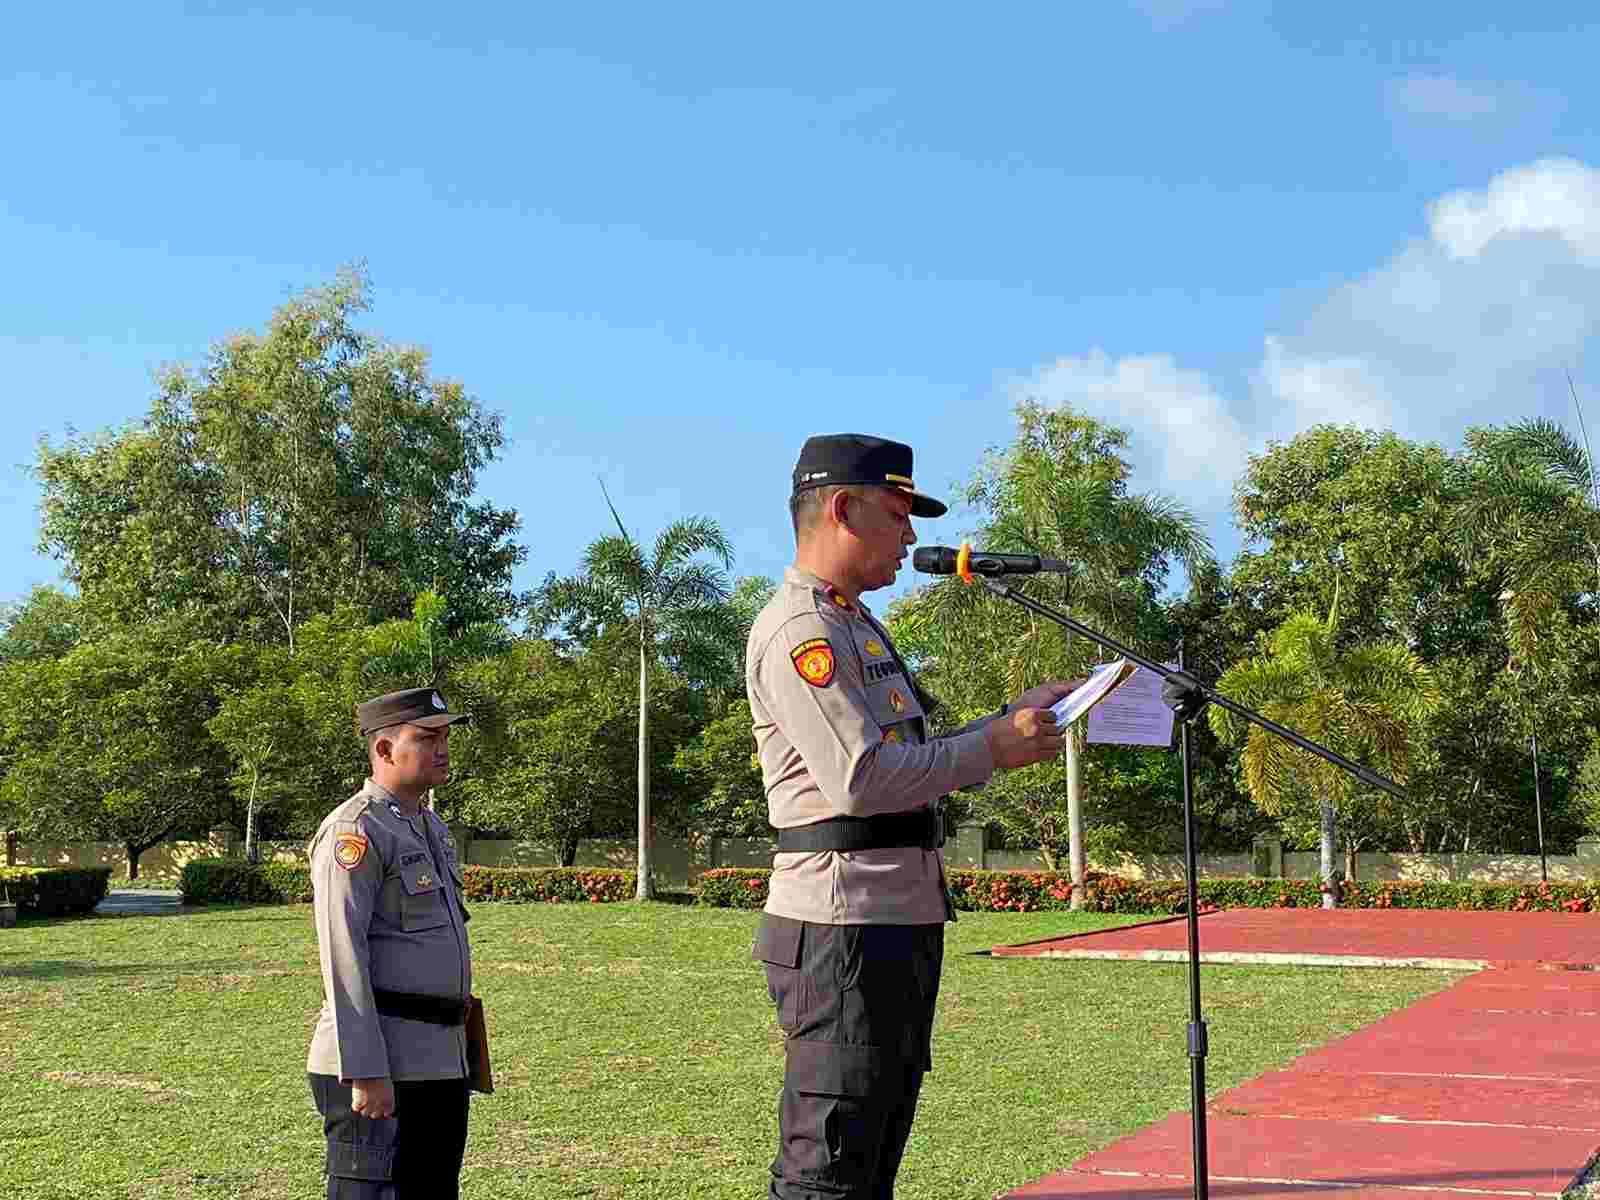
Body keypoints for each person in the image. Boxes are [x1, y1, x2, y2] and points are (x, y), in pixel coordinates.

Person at [747, 433, 1081, 1198]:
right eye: (898, 514)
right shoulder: (804, 630)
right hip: (841, 928)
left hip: (889, 919)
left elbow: (908, 759)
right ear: (842, 509)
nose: (909, 536)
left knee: (869, 1162)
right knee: (827, 1170)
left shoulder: (855, 622)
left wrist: (1005, 723)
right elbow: (860, 779)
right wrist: (993, 747)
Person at [305, 686, 476, 1199]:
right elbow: (343, 954)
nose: (442, 749)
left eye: (445, 737)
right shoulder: (355, 830)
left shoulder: (428, 825)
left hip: (438, 1062)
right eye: (427, 738)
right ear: (384, 749)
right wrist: (366, 1070)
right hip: (382, 1067)